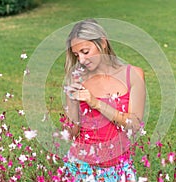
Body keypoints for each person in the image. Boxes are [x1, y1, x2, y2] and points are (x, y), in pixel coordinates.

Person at [62, 19, 146, 181]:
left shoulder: (133, 75)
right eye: (76, 55)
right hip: (80, 165)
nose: (81, 60)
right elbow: (71, 133)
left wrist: (96, 103)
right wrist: (71, 101)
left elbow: (134, 124)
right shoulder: (77, 80)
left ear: (102, 42)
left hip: (117, 167)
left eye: (85, 52)